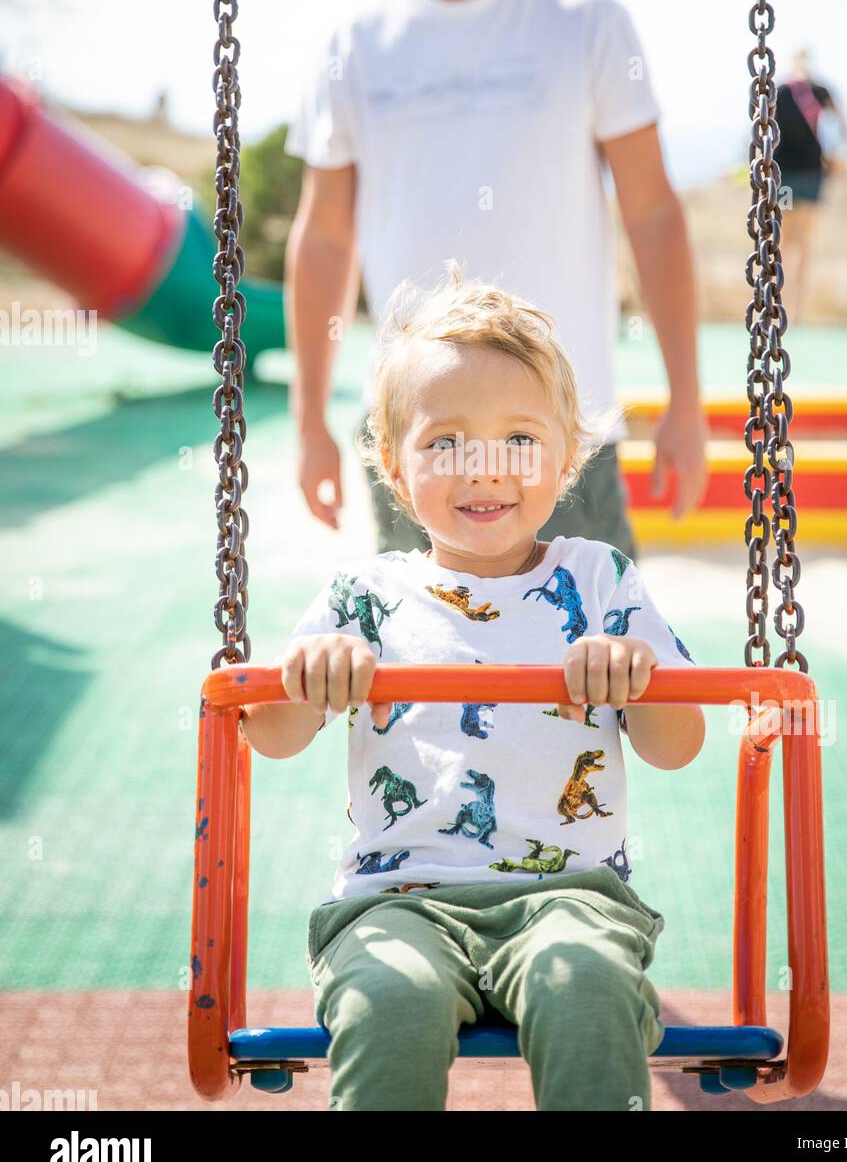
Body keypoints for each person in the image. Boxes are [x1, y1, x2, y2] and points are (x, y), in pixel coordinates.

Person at [240, 268, 706, 1111]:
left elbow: (679, 746)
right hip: (398, 902)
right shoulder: (363, 597)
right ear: (392, 462)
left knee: (587, 993)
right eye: (445, 441)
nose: (484, 468)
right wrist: (311, 680)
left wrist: (638, 681)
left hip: (571, 898)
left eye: (519, 441)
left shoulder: (600, 582)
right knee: (389, 1003)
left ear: (568, 459)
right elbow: (268, 733)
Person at [283, 0, 708, 560]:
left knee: (594, 665)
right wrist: (309, 418)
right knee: (422, 665)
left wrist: (686, 400)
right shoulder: (354, 42)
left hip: (563, 433)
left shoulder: (588, 24)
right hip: (418, 434)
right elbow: (323, 238)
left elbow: (653, 215)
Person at [775, 47, 847, 321]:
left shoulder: (780, 92)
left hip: (783, 176)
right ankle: (797, 310)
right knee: (803, 242)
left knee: (782, 241)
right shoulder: (820, 91)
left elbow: (760, 131)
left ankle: (779, 302)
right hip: (810, 173)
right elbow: (843, 125)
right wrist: (838, 156)